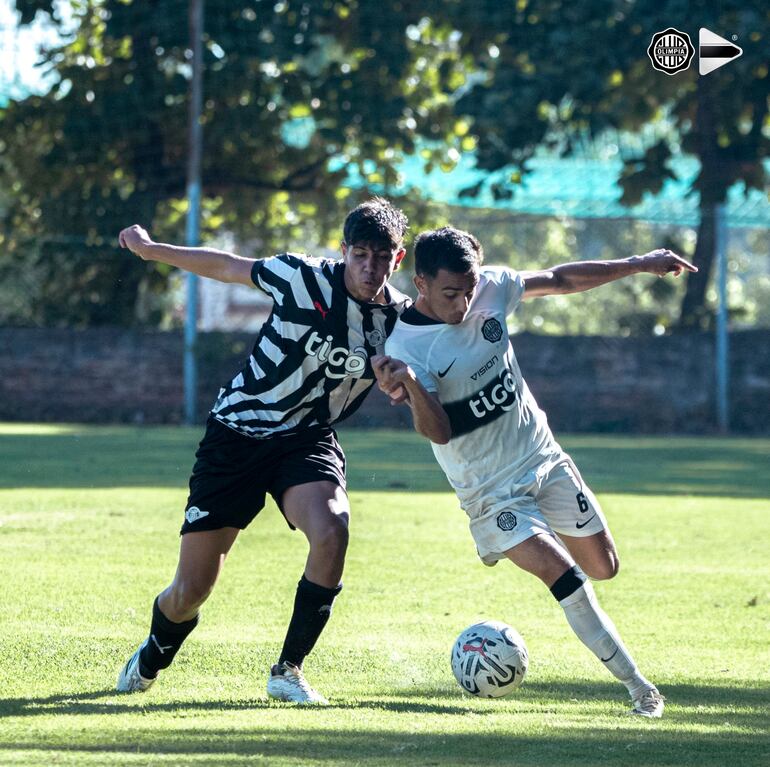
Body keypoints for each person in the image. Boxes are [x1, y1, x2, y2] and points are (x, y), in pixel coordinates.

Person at [373, 226, 697, 718]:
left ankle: (536, 545)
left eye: (468, 289)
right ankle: (640, 689)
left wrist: (638, 263)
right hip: (490, 494)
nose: (462, 303)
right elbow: (438, 432)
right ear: (420, 284)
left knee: (603, 566)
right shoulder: (408, 347)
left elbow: (561, 279)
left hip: (544, 459)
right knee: (566, 577)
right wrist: (414, 386)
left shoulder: (492, 288)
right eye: (449, 293)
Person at [115, 198, 409, 704]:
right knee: (191, 591)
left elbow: (413, 381)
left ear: (397, 260)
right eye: (360, 254)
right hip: (237, 434)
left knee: (333, 530)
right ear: (343, 251)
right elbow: (227, 267)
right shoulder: (300, 278)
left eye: (381, 257)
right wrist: (150, 249)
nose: (369, 266)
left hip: (307, 440)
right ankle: (152, 654)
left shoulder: (401, 322)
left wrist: (397, 384)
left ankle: (288, 670)